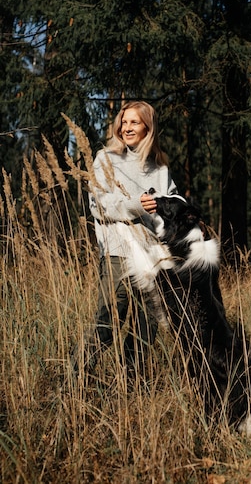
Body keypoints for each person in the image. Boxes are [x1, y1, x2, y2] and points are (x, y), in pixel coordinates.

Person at [73, 100, 178, 379]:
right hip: (118, 252)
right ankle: (74, 382)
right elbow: (99, 205)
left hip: (151, 257)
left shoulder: (160, 168)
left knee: (146, 328)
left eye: (134, 122)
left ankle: (132, 390)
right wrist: (136, 205)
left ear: (148, 127)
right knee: (106, 323)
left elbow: (170, 208)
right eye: (124, 121)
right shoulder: (106, 158)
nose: (127, 127)